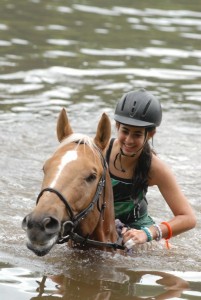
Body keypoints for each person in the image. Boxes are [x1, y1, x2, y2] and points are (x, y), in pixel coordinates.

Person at [106, 88, 196, 248]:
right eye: (125, 131)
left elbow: (188, 218)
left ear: (151, 134)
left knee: (167, 252)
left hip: (137, 227)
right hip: (101, 220)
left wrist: (148, 234)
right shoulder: (99, 151)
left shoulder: (156, 168)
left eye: (137, 134)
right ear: (117, 126)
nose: (128, 140)